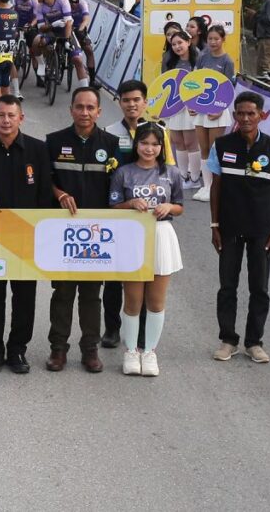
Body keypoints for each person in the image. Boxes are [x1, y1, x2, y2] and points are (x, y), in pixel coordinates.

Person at [0, 96, 54, 374]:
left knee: (24, 296)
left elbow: (44, 193)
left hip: (26, 238)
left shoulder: (38, 150)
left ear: (21, 118)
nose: (6, 120)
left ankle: (17, 349)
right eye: (1, 115)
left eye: (11, 115)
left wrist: (40, 233)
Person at [208, 91, 270, 364]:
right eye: (240, 113)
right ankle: (228, 340)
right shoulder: (222, 145)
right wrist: (215, 225)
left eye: (251, 113)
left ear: (261, 116)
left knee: (259, 288)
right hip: (229, 227)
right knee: (227, 287)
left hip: (262, 229)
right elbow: (216, 186)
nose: (245, 118)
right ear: (234, 115)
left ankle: (254, 343)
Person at [44, 88, 120, 373]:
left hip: (97, 235)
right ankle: (58, 349)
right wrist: (60, 194)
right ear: (71, 110)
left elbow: (119, 186)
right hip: (64, 233)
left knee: (91, 295)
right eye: (79, 107)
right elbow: (45, 180)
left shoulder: (111, 144)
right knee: (62, 293)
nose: (84, 112)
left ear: (99, 111)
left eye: (90, 108)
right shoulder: (54, 142)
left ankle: (90, 350)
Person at [102, 80, 176, 348]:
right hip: (120, 212)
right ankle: (112, 328)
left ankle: (142, 331)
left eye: (137, 100)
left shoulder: (160, 132)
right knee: (113, 278)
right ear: (119, 102)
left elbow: (167, 172)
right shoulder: (109, 132)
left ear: (145, 102)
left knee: (146, 275)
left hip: (149, 219)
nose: (132, 105)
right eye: (126, 100)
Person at [109, 123, 184, 376]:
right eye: (144, 143)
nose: (149, 149)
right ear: (136, 145)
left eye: (154, 144)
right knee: (133, 300)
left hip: (162, 235)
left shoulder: (172, 173)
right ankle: (131, 351)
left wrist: (169, 207)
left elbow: (180, 206)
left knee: (156, 301)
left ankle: (150, 351)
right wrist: (130, 203)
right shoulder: (123, 173)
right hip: (132, 235)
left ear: (161, 146)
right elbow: (113, 207)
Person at [192, 25, 237, 202]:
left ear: (223, 39)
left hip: (218, 110)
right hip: (201, 109)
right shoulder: (202, 56)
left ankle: (215, 187)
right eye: (210, 39)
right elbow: (194, 82)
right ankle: (206, 185)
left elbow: (229, 89)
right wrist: (191, 103)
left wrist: (219, 109)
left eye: (216, 39)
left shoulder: (227, 61)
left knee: (214, 149)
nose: (212, 42)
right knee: (203, 148)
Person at [163, 30, 202, 190]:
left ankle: (195, 178)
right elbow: (164, 85)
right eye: (173, 44)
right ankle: (182, 176)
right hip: (174, 106)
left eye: (180, 43)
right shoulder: (170, 62)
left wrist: (197, 105)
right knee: (178, 142)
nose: (177, 46)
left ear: (188, 42)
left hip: (191, 107)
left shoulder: (198, 60)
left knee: (191, 142)